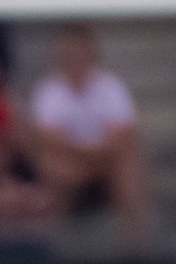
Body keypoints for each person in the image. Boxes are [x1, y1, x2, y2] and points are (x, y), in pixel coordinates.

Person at [30, 25, 147, 227]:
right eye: (69, 55)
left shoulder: (111, 88)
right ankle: (53, 245)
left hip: (104, 164)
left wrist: (87, 154)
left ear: (91, 54)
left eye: (80, 53)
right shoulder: (48, 91)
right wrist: (90, 153)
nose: (75, 60)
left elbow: (121, 137)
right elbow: (48, 139)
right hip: (68, 165)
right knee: (51, 166)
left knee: (128, 165)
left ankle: (134, 246)